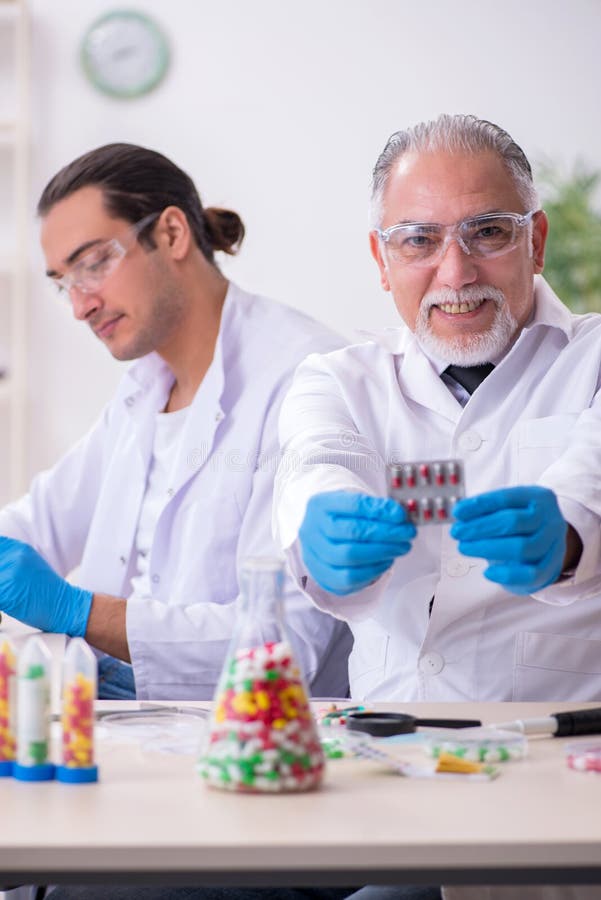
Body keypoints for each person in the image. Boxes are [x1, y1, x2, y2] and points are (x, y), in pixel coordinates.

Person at [274, 115, 601, 900]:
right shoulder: (338, 380)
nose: (454, 273)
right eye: (417, 241)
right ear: (381, 260)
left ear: (536, 239)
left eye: (486, 231)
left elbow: (593, 478)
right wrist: (321, 526)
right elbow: (319, 462)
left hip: (555, 778)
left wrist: (569, 536)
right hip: (377, 777)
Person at [0, 143, 352, 704]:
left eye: (93, 264)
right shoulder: (144, 387)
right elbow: (37, 523)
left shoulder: (306, 379)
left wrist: (79, 612)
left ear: (171, 234)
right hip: (133, 722)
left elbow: (282, 646)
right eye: (64, 281)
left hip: (257, 742)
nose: (80, 305)